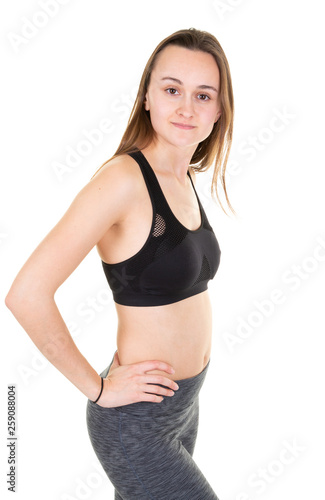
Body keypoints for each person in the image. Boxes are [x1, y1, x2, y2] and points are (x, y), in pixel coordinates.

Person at [5, 27, 234, 500]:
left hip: (182, 405)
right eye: (172, 90)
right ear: (147, 95)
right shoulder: (124, 181)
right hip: (136, 422)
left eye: (203, 95)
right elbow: (26, 294)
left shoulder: (182, 175)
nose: (186, 108)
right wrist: (99, 389)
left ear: (218, 109)